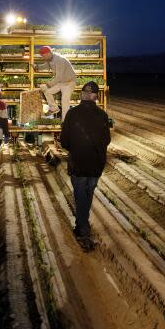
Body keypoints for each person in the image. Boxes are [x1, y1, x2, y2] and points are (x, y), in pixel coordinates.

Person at [59, 81, 110, 250]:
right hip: (96, 165)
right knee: (88, 195)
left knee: (80, 196)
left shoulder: (72, 114)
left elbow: (64, 141)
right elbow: (107, 140)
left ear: (82, 94)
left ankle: (83, 229)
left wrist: (75, 147)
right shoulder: (103, 116)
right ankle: (83, 223)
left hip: (79, 163)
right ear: (96, 96)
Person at [38, 46, 76, 121]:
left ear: (49, 53)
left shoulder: (59, 60)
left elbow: (59, 77)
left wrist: (48, 84)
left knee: (64, 102)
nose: (43, 58)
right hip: (61, 82)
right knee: (47, 92)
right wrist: (37, 67)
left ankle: (65, 122)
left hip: (69, 82)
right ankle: (54, 108)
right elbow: (47, 65)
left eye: (44, 56)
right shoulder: (50, 59)